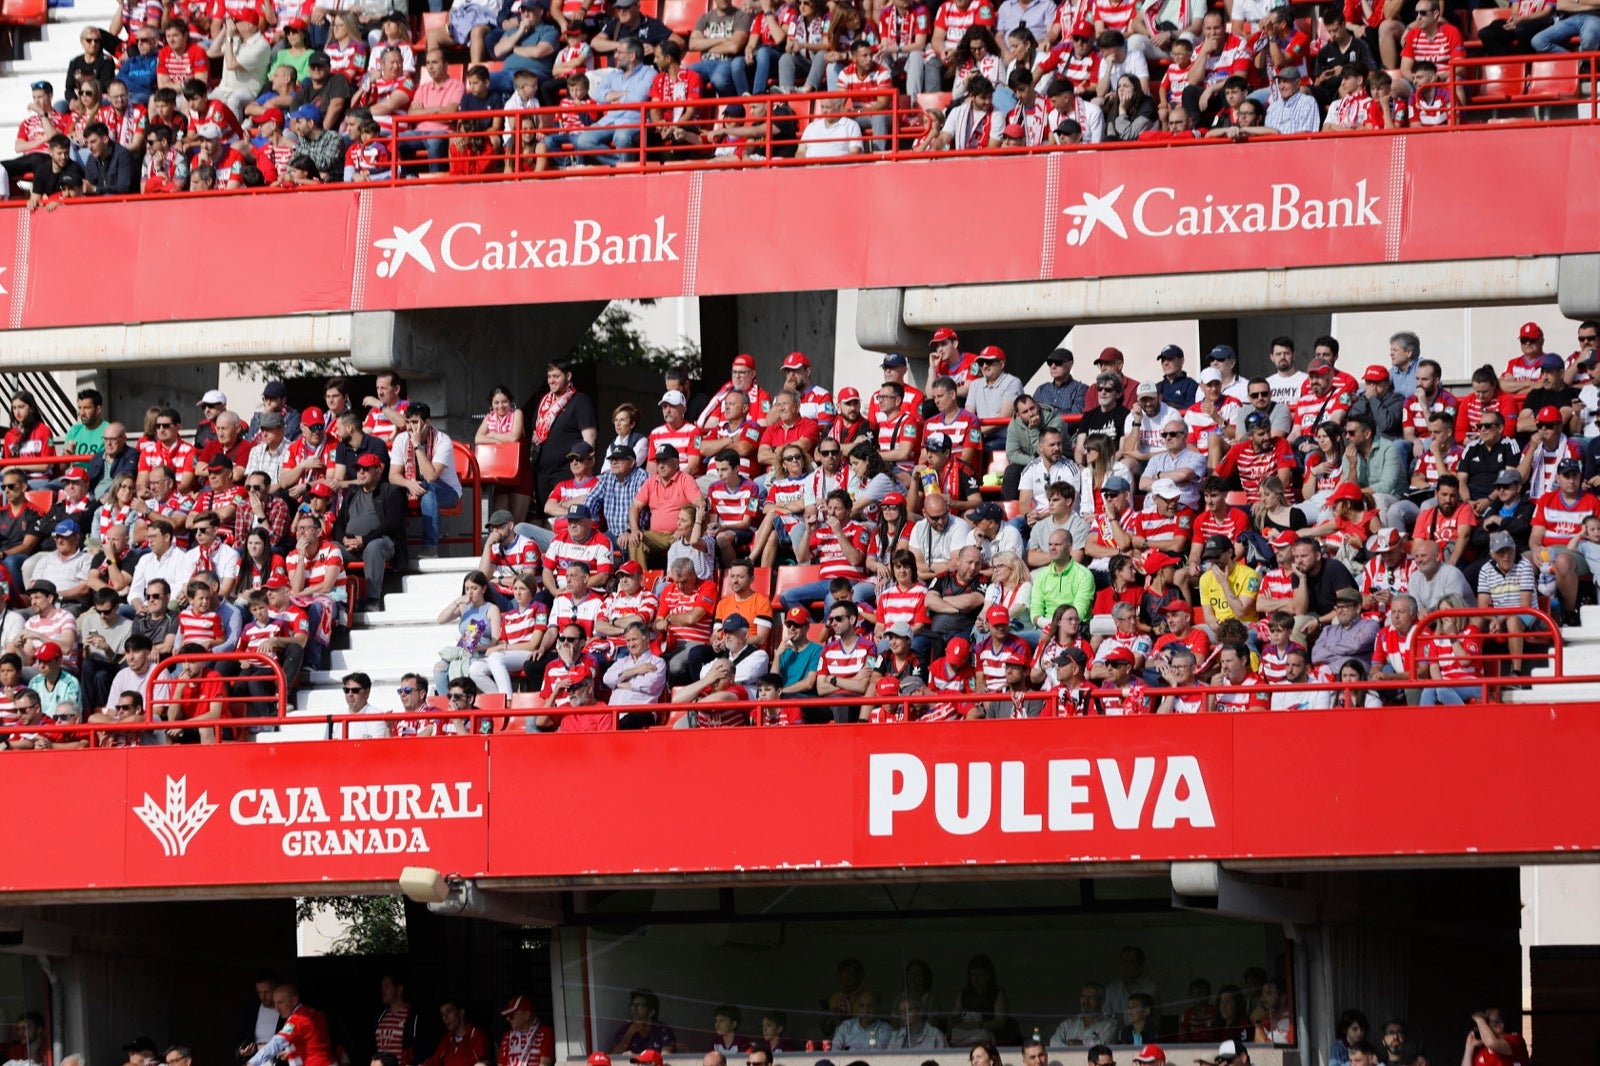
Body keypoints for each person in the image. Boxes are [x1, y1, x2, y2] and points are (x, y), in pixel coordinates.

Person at [336, 454, 410, 611]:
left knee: (373, 547)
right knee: (330, 550)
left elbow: (393, 524)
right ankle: (336, 597)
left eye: (366, 469)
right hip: (352, 545)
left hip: (383, 542)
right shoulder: (352, 492)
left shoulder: (391, 491)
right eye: (358, 469)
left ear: (378, 471)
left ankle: (373, 599)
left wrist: (365, 539)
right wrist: (344, 540)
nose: (361, 472)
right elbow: (339, 524)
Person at [425, 1000, 490, 1066]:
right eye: (442, 1014)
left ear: (461, 1013)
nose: (445, 1018)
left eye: (449, 1012)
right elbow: (433, 1062)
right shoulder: (447, 1039)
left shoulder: (477, 1036)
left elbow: (482, 1063)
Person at [610, 990, 676, 1055]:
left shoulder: (663, 1030)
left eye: (639, 1006)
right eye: (632, 1005)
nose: (634, 1010)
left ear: (651, 1012)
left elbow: (666, 1058)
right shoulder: (624, 1030)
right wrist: (629, 1033)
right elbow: (613, 1057)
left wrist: (636, 1058)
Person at [499, 996, 555, 1066]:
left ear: (526, 1015)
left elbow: (544, 1064)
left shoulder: (546, 1033)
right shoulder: (507, 1036)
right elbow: (501, 1064)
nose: (508, 1019)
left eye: (511, 1016)